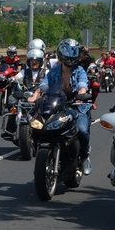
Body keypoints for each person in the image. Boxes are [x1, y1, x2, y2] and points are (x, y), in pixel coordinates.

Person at [28, 38, 93, 175]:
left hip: (76, 106)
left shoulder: (80, 71)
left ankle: (85, 157)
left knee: (81, 130)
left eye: (73, 52)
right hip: (56, 106)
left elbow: (82, 86)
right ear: (61, 54)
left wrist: (81, 96)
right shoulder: (54, 71)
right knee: (37, 123)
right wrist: (33, 98)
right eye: (68, 52)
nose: (70, 56)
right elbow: (43, 87)